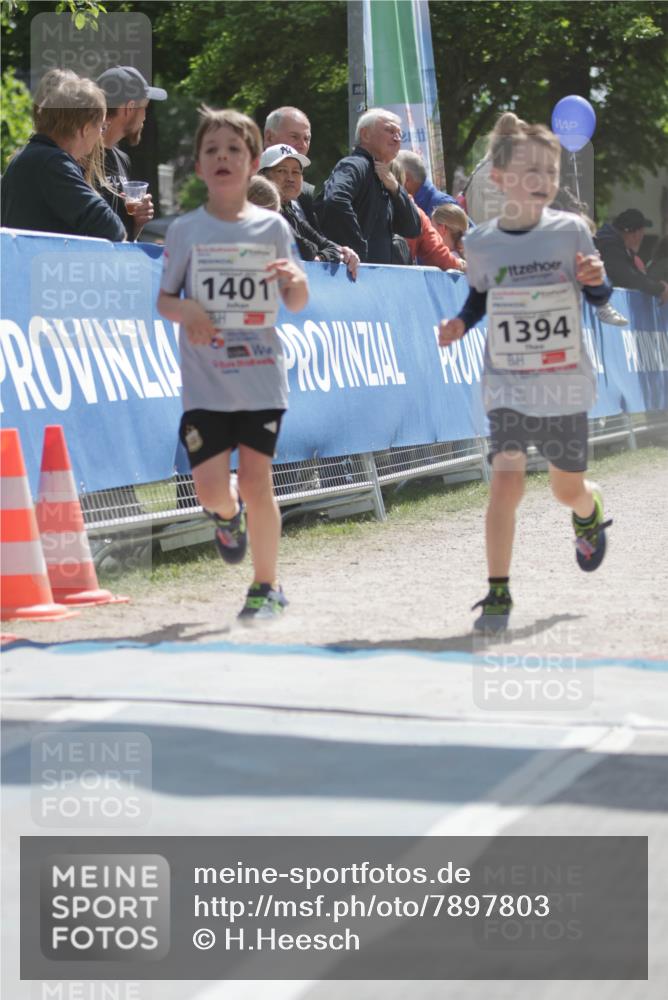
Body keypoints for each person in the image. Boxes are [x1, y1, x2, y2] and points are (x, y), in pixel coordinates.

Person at [438, 118, 614, 632]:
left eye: (550, 171)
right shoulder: (482, 242)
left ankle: (587, 510)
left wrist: (596, 280)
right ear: (499, 177)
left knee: (566, 489)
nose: (543, 179)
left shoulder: (571, 230)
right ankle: (498, 592)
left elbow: (598, 295)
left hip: (563, 384)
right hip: (508, 385)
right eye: (530, 169)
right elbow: (479, 296)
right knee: (506, 485)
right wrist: (460, 323)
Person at [157, 107, 308, 621]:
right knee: (211, 489)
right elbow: (164, 301)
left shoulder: (273, 228)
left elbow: (296, 301)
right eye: (212, 150)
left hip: (260, 377)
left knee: (256, 481)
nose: (222, 157)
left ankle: (266, 586)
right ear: (199, 165)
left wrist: (295, 280)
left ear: (252, 163)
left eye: (234, 150)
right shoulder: (185, 231)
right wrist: (188, 310)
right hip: (206, 382)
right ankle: (227, 517)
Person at [1, 72, 125, 240]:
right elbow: (111, 228)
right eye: (101, 127)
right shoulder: (52, 164)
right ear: (86, 129)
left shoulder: (30, 157)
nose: (100, 135)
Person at [315, 108, 421, 264]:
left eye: (400, 134)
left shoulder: (384, 178)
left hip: (372, 275)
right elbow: (335, 201)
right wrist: (359, 250)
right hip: (353, 273)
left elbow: (412, 228)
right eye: (390, 131)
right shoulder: (354, 165)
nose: (397, 138)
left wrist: (396, 189)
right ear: (365, 135)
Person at [259, 144, 359, 277]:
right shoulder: (263, 211)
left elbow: (326, 245)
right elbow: (306, 250)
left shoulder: (289, 211)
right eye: (281, 171)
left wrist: (338, 252)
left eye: (296, 172)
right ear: (263, 177)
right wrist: (321, 257)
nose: (290, 178)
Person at [96, 65, 167, 241]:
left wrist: (137, 223)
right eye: (145, 108)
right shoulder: (81, 155)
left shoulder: (122, 159)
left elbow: (124, 238)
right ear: (130, 108)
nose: (145, 117)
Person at [387, 159, 463, 270]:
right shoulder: (416, 213)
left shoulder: (435, 205)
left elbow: (437, 253)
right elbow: (437, 254)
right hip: (400, 277)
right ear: (403, 179)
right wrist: (460, 265)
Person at [595, 209, 668, 304]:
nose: (641, 237)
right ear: (636, 234)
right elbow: (628, 276)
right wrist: (659, 289)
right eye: (642, 232)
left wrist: (657, 285)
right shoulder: (609, 246)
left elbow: (633, 274)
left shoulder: (613, 244)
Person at [263, 106, 318, 227]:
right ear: (269, 137)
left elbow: (313, 235)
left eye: (306, 139)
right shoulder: (248, 191)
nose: (302, 145)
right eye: (294, 137)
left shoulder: (305, 193)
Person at [394, 149, 457, 217]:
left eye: (394, 176)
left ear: (406, 178)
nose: (391, 181)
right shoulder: (409, 204)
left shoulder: (443, 204)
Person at [431, 202, 469, 268]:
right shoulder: (470, 260)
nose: (431, 231)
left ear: (442, 228)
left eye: (432, 227)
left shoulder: (442, 264)